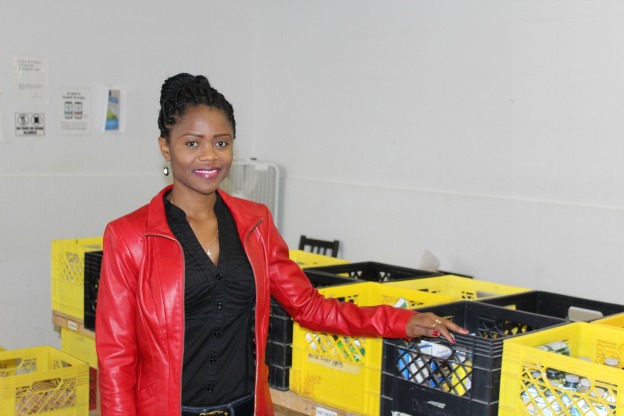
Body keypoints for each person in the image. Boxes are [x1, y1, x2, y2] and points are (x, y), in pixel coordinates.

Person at [95, 73, 468, 416]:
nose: (209, 156)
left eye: (221, 143)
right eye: (192, 143)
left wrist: (403, 321)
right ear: (165, 147)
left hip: (247, 407)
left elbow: (309, 307)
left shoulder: (255, 223)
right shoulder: (130, 237)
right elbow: (116, 357)